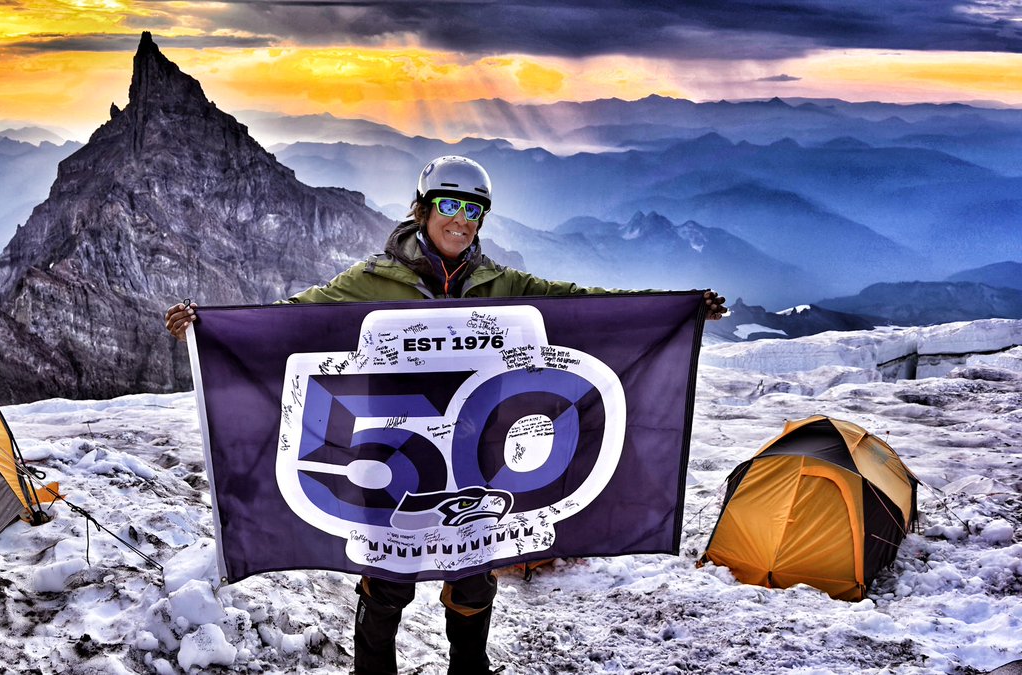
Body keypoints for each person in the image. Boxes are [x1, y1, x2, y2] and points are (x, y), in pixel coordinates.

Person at [165, 155, 727, 674]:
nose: (462, 221)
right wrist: (208, 327)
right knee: (387, 583)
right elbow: (289, 322)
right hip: (395, 460)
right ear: (424, 209)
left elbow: (580, 304)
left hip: (474, 465)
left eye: (474, 210)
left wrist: (677, 309)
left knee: (474, 581)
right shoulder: (372, 280)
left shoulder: (502, 284)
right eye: (451, 206)